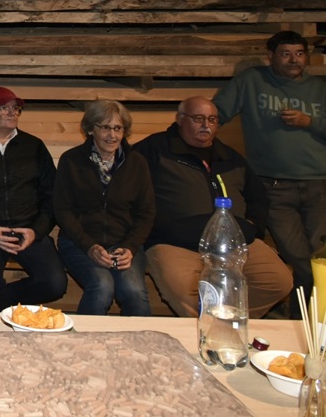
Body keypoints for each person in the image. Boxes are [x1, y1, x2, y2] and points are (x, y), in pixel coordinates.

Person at [133, 96, 293, 318]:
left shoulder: (229, 157)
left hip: (234, 241)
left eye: (212, 119)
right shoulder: (153, 150)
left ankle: (225, 324)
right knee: (183, 290)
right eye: (198, 118)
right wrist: (153, 227)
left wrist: (253, 226)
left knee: (278, 281)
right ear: (180, 119)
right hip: (175, 243)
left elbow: (257, 196)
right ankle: (211, 331)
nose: (206, 125)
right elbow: (126, 190)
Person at [214, 30, 326, 315]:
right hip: (274, 186)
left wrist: (309, 121)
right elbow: (216, 113)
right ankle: (299, 322)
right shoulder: (252, 81)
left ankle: (304, 321)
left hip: (319, 185)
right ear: (271, 57)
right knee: (300, 258)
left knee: (317, 258)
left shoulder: (320, 89)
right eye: (286, 54)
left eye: (299, 54)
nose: (294, 60)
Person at [0, 86, 67, 312]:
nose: (12, 112)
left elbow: (53, 195)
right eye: (4, 107)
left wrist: (36, 231)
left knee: (55, 284)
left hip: (27, 230)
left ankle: (5, 309)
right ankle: (10, 312)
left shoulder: (34, 146)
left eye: (16, 108)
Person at [53, 100, 154, 316]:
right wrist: (89, 246)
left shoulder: (137, 163)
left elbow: (146, 213)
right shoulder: (71, 161)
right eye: (105, 127)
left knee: (134, 291)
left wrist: (130, 247)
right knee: (102, 286)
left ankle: (141, 346)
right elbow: (62, 210)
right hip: (79, 243)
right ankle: (85, 346)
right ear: (90, 129)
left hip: (124, 244)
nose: (112, 135)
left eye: (118, 128)